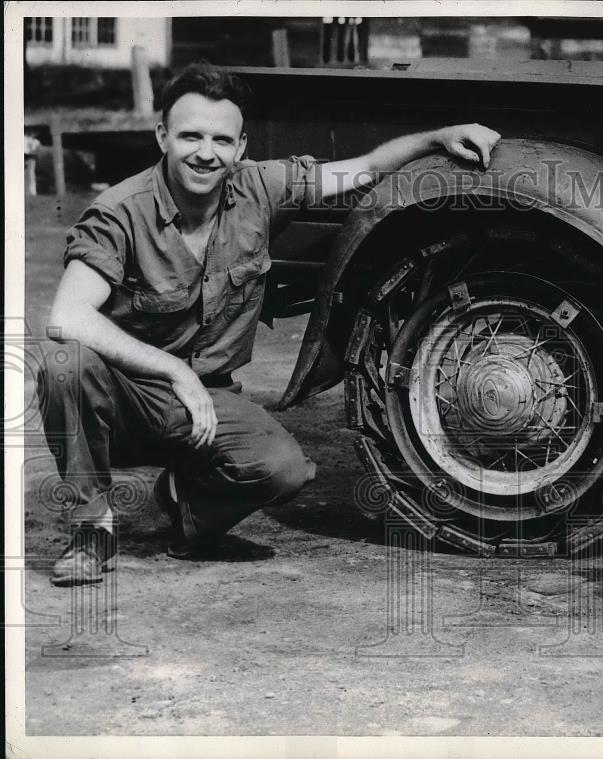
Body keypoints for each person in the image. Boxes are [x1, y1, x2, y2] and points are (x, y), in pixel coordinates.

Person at [39, 63, 501, 587]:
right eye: (190, 135)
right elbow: (67, 316)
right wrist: (174, 370)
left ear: (240, 148)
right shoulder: (120, 211)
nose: (204, 153)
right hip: (126, 397)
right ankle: (91, 530)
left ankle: (185, 502)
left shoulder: (259, 188)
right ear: (163, 136)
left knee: (284, 470)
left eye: (220, 139)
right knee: (63, 363)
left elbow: (366, 167)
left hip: (209, 401)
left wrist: (438, 138)